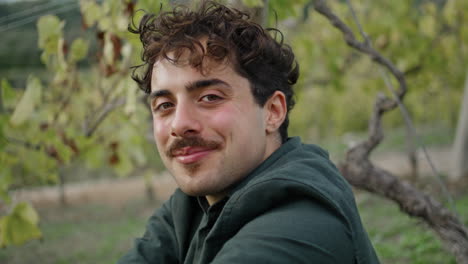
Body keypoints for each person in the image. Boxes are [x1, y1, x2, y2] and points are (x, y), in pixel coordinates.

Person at [118, 1, 380, 263]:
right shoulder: (190, 208)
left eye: (210, 97)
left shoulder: (304, 224)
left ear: (273, 111)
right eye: (165, 105)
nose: (179, 124)